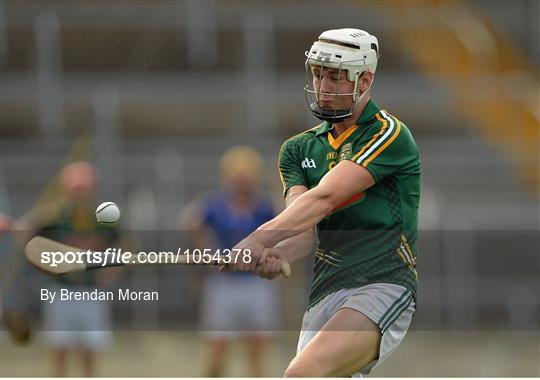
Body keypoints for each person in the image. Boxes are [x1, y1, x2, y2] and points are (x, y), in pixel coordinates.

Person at [224, 28, 421, 376]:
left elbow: (325, 198)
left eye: (335, 77)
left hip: (381, 283)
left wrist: (257, 239)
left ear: (366, 79)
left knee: (302, 374)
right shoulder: (298, 150)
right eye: (317, 73)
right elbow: (302, 226)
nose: (323, 87)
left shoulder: (387, 134)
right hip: (326, 290)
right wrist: (279, 254)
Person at [179, 146, 279, 377]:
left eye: (247, 176)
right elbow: (190, 222)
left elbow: (285, 230)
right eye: (237, 176)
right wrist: (207, 251)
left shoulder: (264, 206)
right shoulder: (216, 204)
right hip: (224, 283)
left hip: (256, 284)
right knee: (217, 349)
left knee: (256, 351)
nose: (242, 181)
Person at [14, 161, 119, 377]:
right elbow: (22, 235)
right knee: (59, 354)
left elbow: (124, 241)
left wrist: (114, 267)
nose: (80, 194)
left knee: (89, 357)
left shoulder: (102, 217)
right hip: (61, 291)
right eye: (76, 189)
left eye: (84, 188)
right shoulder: (55, 216)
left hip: (92, 291)